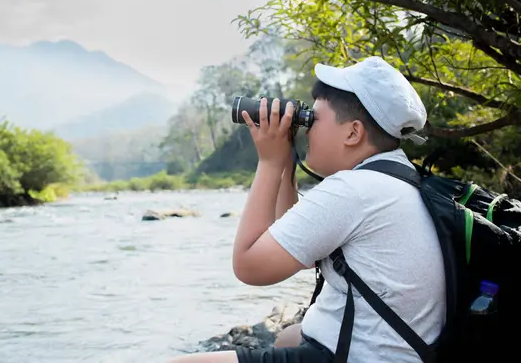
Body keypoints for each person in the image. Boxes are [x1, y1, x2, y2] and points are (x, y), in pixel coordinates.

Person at [168, 56, 447, 363]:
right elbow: (301, 251)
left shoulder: (353, 191)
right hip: (398, 353)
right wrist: (286, 163)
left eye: (313, 118)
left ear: (353, 133)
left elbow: (249, 266)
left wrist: (269, 162)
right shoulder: (396, 178)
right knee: (289, 336)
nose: (306, 128)